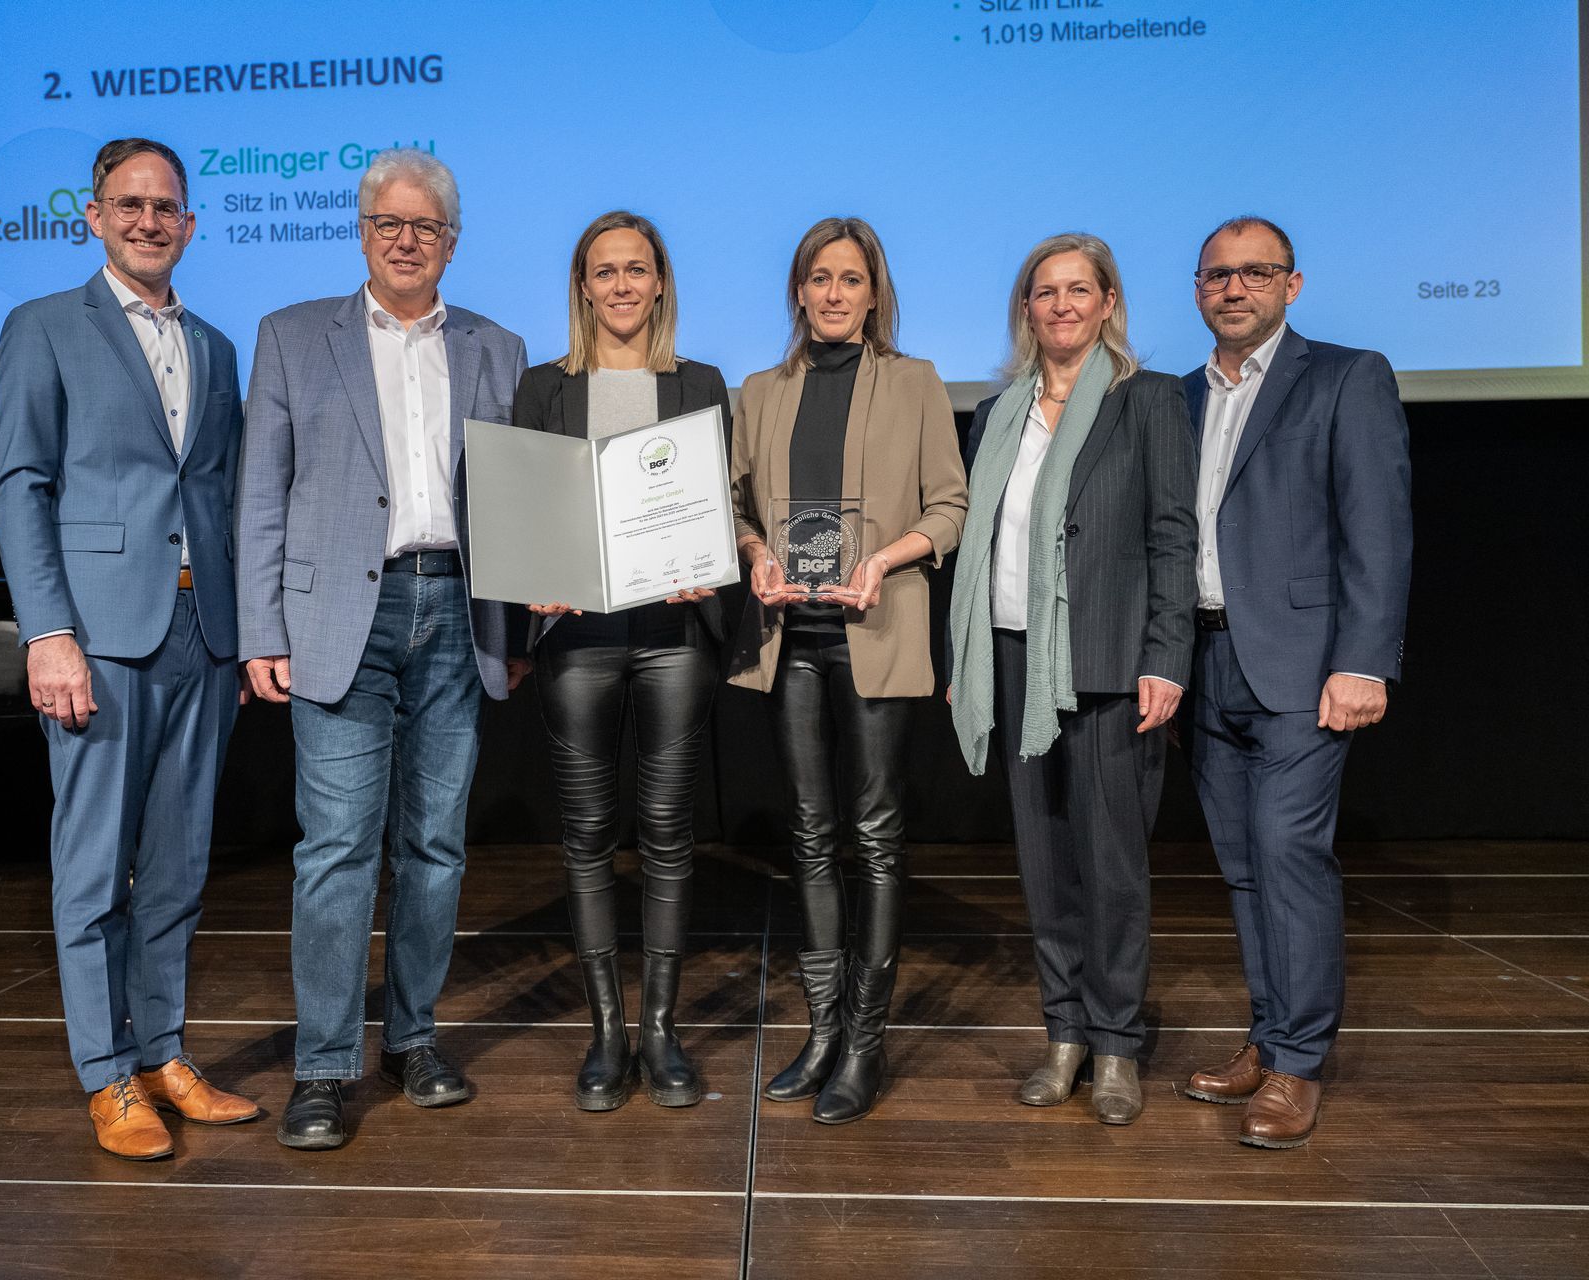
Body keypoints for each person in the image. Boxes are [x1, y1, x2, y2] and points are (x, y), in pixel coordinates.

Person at [235, 149, 528, 1150]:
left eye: (426, 227)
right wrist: (260, 628)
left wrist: (520, 627)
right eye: (389, 224)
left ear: (453, 241)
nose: (408, 241)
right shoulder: (291, 336)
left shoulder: (498, 347)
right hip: (336, 621)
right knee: (336, 850)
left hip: (457, 610)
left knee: (436, 845)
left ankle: (413, 1037)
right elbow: (260, 494)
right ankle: (323, 1066)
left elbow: (519, 501)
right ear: (362, 233)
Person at [0, 137, 257, 1160]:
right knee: (95, 867)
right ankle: (107, 1074)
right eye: (130, 204)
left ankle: (164, 1053)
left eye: (167, 207)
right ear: (94, 216)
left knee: (180, 867)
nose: (150, 221)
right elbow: (20, 485)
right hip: (97, 636)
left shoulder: (216, 347)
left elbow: (219, 495)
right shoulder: (45, 325)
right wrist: (48, 632)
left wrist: (241, 635)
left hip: (203, 633)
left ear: (190, 224)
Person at [946, 233, 1196, 1125]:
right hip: (1013, 658)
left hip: (1109, 663)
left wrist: (1166, 657)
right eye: (1044, 292)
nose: (1061, 305)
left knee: (1112, 865)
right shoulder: (997, 413)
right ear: (1027, 308)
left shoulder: (1148, 401)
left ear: (1108, 303)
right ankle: (1065, 1033)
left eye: (1078, 290)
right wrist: (967, 658)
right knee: (1046, 862)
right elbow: (982, 548)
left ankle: (1117, 1043)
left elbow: (1174, 536)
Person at [728, 217, 967, 1125]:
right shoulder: (761, 391)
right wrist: (757, 553)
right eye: (820, 278)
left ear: (874, 294)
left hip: (875, 627)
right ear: (799, 291)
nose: (834, 293)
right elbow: (735, 507)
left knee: (874, 835)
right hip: (787, 636)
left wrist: (885, 559)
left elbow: (950, 506)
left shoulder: (915, 382)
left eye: (851, 279)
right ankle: (823, 1031)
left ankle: (866, 1042)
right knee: (808, 834)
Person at [1181, 216, 1412, 1148]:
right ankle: (1269, 1035)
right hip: (1204, 661)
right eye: (1217, 276)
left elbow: (1379, 529)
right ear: (1198, 290)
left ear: (1292, 285)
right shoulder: (1181, 395)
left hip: (1305, 665)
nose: (1234, 289)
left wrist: (1364, 661)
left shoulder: (1347, 377)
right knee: (1242, 864)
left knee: (1288, 853)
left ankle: (1299, 1065)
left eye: (1255, 272)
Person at [511, 212, 733, 1111]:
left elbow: (723, 504)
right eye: (604, 272)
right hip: (578, 639)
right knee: (588, 834)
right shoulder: (543, 387)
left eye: (637, 269)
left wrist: (712, 562)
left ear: (661, 281)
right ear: (582, 287)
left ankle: (662, 1031)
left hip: (674, 637)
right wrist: (534, 574)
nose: (622, 286)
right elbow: (527, 512)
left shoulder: (700, 383)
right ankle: (608, 1033)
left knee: (671, 833)